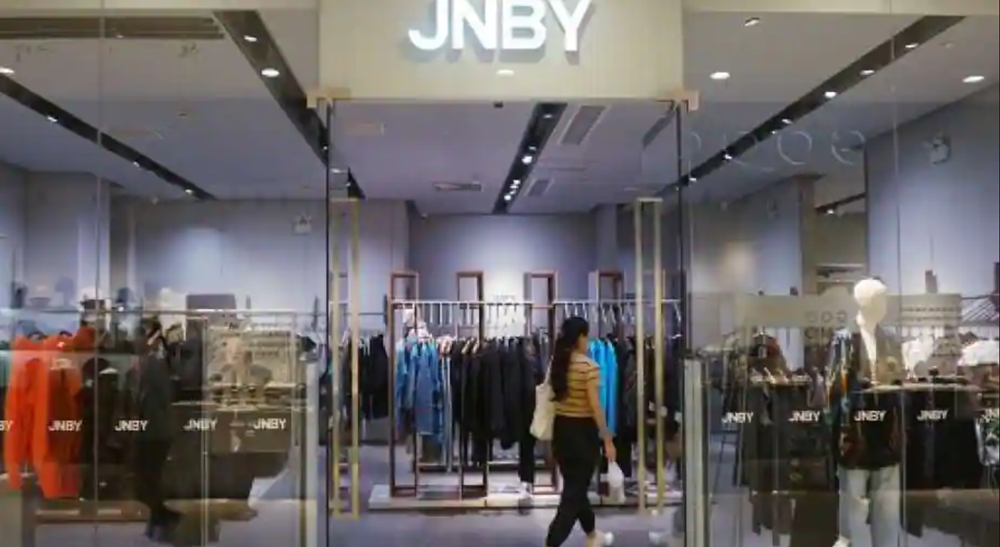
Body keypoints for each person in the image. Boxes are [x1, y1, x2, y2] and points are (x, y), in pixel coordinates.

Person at [545, 316, 614, 547]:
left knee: (576, 487)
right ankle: (552, 542)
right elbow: (595, 406)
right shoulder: (589, 367)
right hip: (583, 435)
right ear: (580, 337)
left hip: (562, 432)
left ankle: (592, 535)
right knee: (573, 495)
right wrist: (607, 438)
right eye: (587, 336)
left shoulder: (558, 365)